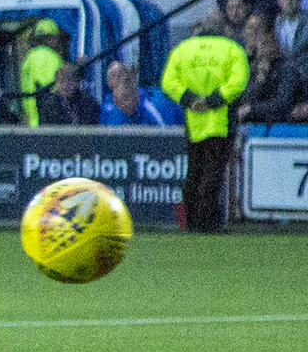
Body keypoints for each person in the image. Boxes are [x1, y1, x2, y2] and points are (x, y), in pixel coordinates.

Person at [160, 21, 249, 233]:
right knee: (214, 173)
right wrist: (213, 100)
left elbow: (168, 82)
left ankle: (190, 222)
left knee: (194, 172)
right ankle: (207, 223)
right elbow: (238, 81)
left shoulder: (183, 49)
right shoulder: (231, 49)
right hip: (221, 121)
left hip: (193, 121)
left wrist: (190, 99)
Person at [19, 19, 69, 126]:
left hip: (32, 121)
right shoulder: (49, 57)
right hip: (45, 122)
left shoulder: (29, 57)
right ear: (51, 38)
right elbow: (52, 91)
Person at [101, 61, 179, 126]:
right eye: (118, 103)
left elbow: (171, 139)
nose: (124, 105)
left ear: (134, 92)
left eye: (126, 98)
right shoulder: (108, 107)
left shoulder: (157, 105)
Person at [37, 62, 101, 125]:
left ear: (77, 83)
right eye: (61, 81)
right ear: (56, 83)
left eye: (69, 81)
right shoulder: (48, 105)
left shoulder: (89, 104)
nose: (65, 86)